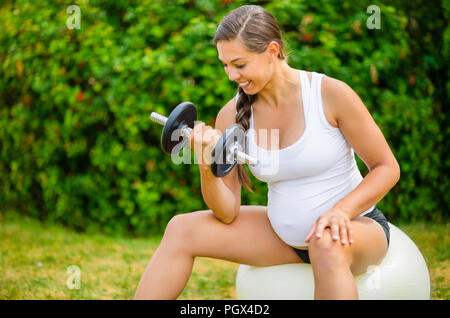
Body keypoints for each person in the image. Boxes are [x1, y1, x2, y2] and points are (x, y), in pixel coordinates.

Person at [134, 5, 400, 300]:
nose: (231, 75)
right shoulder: (231, 115)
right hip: (283, 239)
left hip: (355, 230)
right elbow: (226, 212)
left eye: (239, 64)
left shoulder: (329, 94)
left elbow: (386, 167)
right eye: (225, 65)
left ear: (272, 51)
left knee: (325, 242)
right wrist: (205, 162)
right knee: (180, 229)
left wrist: (341, 211)